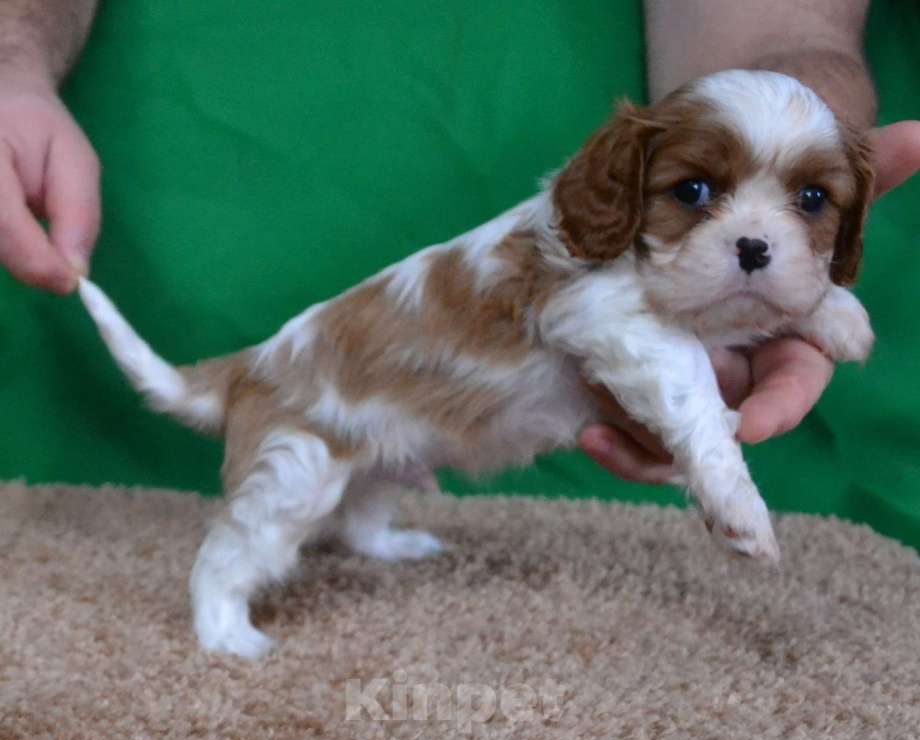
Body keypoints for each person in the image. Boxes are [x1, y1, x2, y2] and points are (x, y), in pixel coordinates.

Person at [0, 0, 917, 487]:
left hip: (621, 455)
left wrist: (805, 135)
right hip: (92, 370)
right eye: (701, 190)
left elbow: (771, 30)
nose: (768, 230)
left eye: (808, 202)